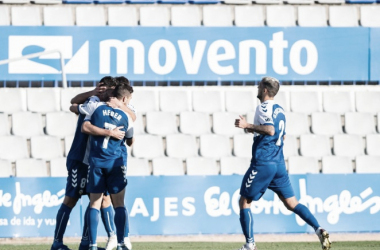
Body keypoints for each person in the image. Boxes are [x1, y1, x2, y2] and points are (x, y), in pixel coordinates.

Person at [234, 77, 332, 250]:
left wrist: (246, 124)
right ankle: (318, 229)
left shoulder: (263, 107)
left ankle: (250, 245)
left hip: (264, 162)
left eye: (259, 85)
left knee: (244, 201)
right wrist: (252, 129)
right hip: (278, 163)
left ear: (264, 90)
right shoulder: (280, 110)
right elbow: (281, 135)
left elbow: (270, 130)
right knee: (292, 203)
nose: (257, 87)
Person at [51, 77, 126, 250]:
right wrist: (92, 93)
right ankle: (57, 243)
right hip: (80, 160)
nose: (111, 94)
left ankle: (88, 243)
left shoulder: (108, 108)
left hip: (95, 161)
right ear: (102, 89)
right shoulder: (93, 103)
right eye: (109, 90)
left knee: (100, 199)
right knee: (71, 199)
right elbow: (73, 104)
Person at [78, 84, 134, 250]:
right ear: (124, 98)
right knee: (119, 205)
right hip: (115, 164)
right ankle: (122, 242)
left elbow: (84, 125)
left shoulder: (96, 109)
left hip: (96, 162)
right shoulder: (126, 116)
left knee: (94, 204)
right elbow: (130, 140)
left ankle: (93, 245)